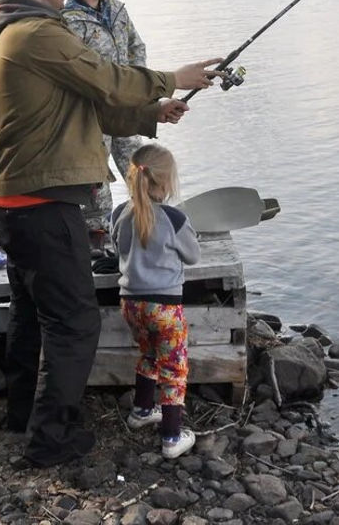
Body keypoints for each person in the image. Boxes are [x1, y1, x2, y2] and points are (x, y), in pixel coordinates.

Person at [0, 0, 221, 469]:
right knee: (75, 324)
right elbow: (105, 79)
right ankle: (50, 441)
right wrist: (172, 79)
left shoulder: (15, 32)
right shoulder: (37, 33)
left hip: (17, 198)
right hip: (43, 203)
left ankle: (22, 415)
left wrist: (151, 115)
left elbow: (83, 106)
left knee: (31, 315)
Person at [111, 143, 200, 459]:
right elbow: (192, 255)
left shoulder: (120, 213)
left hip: (131, 304)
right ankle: (172, 437)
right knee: (174, 367)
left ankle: (142, 411)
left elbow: (117, 248)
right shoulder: (174, 218)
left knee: (148, 354)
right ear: (165, 183)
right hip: (164, 306)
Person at [61, 0, 148, 244]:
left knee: (139, 163)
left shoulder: (119, 10)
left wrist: (139, 88)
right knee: (96, 175)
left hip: (124, 108)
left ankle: (153, 217)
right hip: (91, 116)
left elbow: (137, 48)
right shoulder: (68, 21)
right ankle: (99, 238)